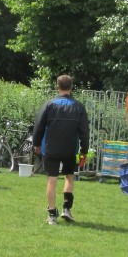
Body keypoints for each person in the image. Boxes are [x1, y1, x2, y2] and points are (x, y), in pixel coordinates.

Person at [33, 74, 89, 225]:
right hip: (70, 149)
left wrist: (36, 144)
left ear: (58, 87)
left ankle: (52, 214)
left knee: (51, 180)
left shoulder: (49, 105)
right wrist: (84, 151)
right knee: (69, 177)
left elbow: (39, 126)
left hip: (50, 148)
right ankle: (66, 209)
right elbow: (84, 131)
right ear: (71, 87)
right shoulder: (79, 107)